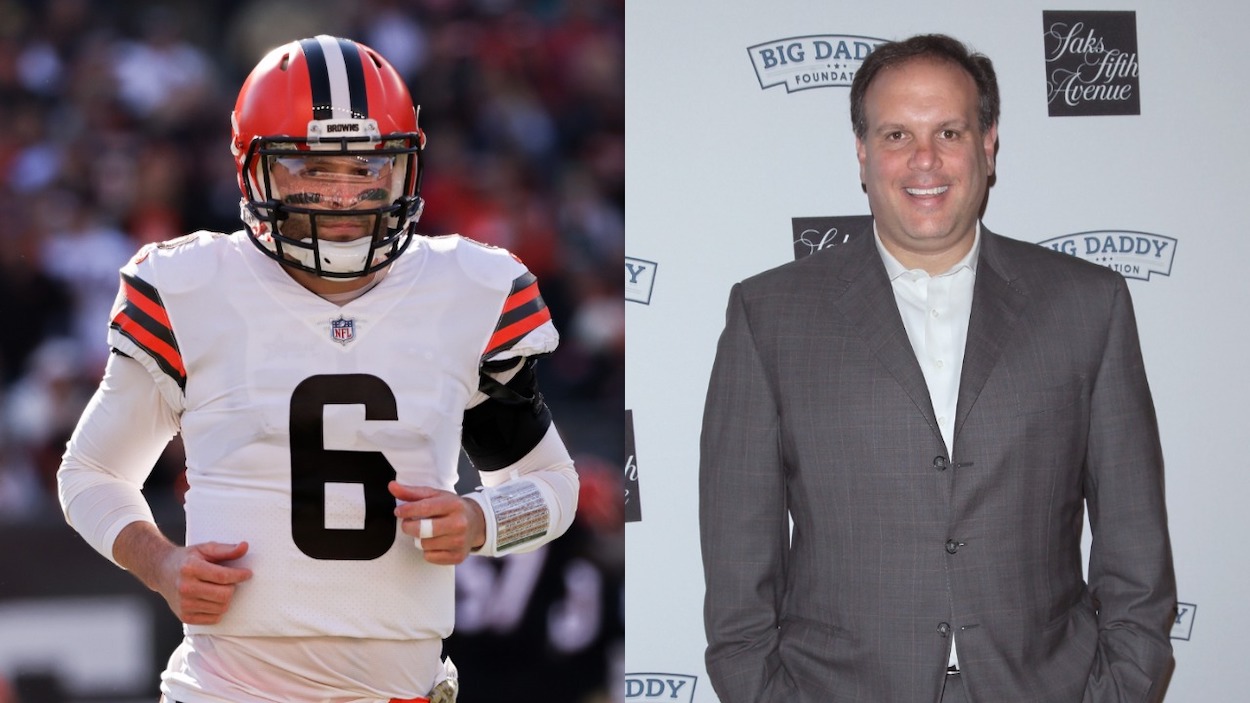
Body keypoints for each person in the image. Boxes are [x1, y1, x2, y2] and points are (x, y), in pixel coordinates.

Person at [57, 35, 579, 703]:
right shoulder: (190, 287)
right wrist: (159, 562)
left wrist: (480, 520)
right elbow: (91, 473)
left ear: (403, 170)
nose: (342, 196)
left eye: (367, 168)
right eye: (312, 168)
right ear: (253, 170)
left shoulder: (471, 290)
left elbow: (552, 488)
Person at [698, 33, 1175, 703]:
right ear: (862, 155)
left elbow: (1136, 552)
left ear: (988, 144)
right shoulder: (769, 316)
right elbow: (737, 577)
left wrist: (1117, 689)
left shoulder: (1087, 306)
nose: (924, 159)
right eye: (896, 135)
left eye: (949, 131)